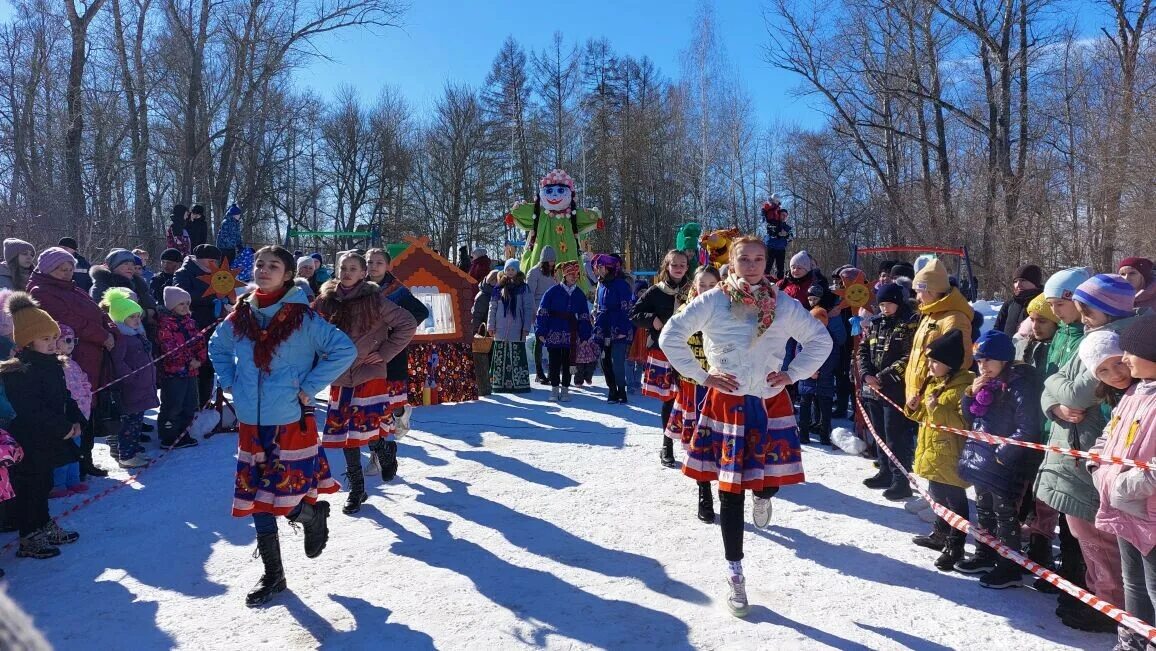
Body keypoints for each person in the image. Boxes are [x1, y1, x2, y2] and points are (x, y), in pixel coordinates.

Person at [660, 236, 831, 617]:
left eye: (758, 259)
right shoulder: (714, 300)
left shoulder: (783, 303)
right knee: (730, 491)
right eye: (744, 259)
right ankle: (734, 572)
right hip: (728, 401)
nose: (752, 265)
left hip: (770, 400)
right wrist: (702, 376)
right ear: (732, 262)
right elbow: (670, 335)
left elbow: (819, 340)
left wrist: (792, 374)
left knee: (770, 481)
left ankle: (765, 495)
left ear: (767, 262)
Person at [208, 245, 356, 607]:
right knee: (257, 499)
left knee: (283, 497)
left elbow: (344, 350)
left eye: (273, 266)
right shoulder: (240, 315)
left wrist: (308, 388)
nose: (263, 270)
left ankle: (311, 514)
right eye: (259, 264)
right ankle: (274, 574)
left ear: (288, 275)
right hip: (250, 422)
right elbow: (217, 346)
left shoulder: (303, 319)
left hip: (289, 420)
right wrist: (230, 379)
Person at [1034, 267, 1122, 631]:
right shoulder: (1092, 333)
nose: (1081, 317)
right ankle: (1095, 597)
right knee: (1084, 534)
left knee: (1097, 537)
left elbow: (1075, 392)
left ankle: (1109, 607)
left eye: (1088, 311)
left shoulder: (1111, 340)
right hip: (1073, 446)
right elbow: (1057, 396)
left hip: (1091, 451)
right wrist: (1053, 404)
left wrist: (1053, 380)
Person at [314, 252, 417, 515]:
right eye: (343, 268)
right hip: (338, 375)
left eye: (353, 269)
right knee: (346, 435)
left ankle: (384, 449)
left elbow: (407, 323)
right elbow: (308, 329)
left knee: (367, 429)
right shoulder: (326, 301)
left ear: (363, 274)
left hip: (369, 373)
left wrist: (383, 353)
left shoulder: (375, 300)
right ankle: (358, 489)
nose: (347, 272)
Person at [1087, 315, 1156, 651]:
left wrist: (1125, 486)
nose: (1124, 360)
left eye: (1130, 352)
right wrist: (1096, 465)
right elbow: (1109, 435)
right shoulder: (1135, 393)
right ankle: (1133, 639)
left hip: (1150, 514)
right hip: (1125, 508)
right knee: (1134, 583)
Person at [954, 329, 1041, 588]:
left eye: (989, 360)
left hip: (1002, 464)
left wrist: (1003, 455)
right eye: (979, 361)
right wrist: (969, 394)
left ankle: (1009, 564)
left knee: (1005, 514)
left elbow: (1027, 427)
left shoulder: (1017, 384)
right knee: (983, 509)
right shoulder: (984, 384)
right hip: (980, 460)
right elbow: (971, 418)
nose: (983, 366)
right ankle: (985, 553)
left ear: (1004, 360)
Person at [0, 292, 82, 559]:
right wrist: (61, 427)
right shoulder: (19, 372)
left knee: (44, 482)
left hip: (49, 438)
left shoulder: (52, 364)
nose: (52, 343)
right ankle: (29, 535)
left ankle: (43, 522)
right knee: (30, 486)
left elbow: (64, 397)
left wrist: (75, 419)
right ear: (27, 340)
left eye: (53, 338)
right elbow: (32, 410)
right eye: (45, 339)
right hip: (29, 440)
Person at [25, 247, 115, 479]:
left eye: (69, 269)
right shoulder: (41, 291)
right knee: (76, 407)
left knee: (89, 405)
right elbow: (68, 319)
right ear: (47, 269)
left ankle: (86, 458)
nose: (66, 273)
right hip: (72, 355)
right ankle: (74, 463)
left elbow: (95, 312)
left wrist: (109, 326)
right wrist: (102, 335)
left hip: (91, 355)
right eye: (61, 269)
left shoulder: (73, 288)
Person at [907, 329, 974, 571]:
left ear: (950, 364)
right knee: (937, 495)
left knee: (955, 500)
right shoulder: (935, 384)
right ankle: (940, 533)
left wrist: (936, 408)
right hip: (932, 451)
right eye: (930, 361)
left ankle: (956, 545)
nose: (930, 366)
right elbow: (924, 417)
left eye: (935, 362)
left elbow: (964, 424)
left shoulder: (963, 389)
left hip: (951, 454)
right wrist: (914, 407)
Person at [664, 265, 722, 523]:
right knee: (701, 440)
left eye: (712, 285)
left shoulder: (728, 310)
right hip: (695, 385)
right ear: (694, 286)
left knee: (722, 441)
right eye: (702, 285)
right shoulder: (684, 312)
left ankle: (727, 489)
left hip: (723, 385)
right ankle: (704, 493)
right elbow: (672, 344)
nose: (706, 290)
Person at [365, 247, 429, 461]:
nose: (373, 267)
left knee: (391, 400)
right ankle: (376, 455)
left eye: (378, 263)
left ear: (388, 266)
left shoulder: (397, 290)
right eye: (369, 262)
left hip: (391, 353)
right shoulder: (359, 287)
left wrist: (394, 331)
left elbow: (421, 312)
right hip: (366, 353)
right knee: (371, 405)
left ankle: (401, 413)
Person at [632, 250, 692, 467]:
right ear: (666, 266)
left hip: (688, 351)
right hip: (663, 351)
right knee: (669, 400)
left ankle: (694, 445)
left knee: (689, 399)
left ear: (687, 266)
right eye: (674, 264)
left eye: (682, 264)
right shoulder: (656, 291)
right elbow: (634, 313)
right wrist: (652, 320)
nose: (678, 268)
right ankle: (667, 444)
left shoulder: (694, 289)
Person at [859, 282, 919, 497]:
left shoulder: (909, 323)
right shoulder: (875, 323)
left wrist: (883, 377)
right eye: (881, 304)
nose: (884, 308)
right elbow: (863, 349)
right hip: (872, 388)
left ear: (898, 302)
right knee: (879, 434)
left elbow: (909, 356)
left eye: (888, 304)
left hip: (895, 388)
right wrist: (866, 374)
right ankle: (884, 471)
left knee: (895, 436)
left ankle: (900, 480)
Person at [904, 258, 975, 409]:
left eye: (919, 292)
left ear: (932, 290)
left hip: (935, 399)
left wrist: (935, 393)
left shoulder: (954, 318)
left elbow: (961, 362)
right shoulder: (929, 313)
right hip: (918, 395)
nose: (917, 297)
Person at [101, 288, 158, 468]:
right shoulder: (122, 338)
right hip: (131, 388)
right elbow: (118, 362)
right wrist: (131, 377)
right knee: (128, 425)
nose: (136, 320)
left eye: (137, 316)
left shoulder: (136, 334)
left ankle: (131, 451)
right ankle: (126, 455)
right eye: (131, 317)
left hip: (141, 387)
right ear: (120, 318)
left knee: (136, 423)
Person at [174, 244, 229, 407]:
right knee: (194, 365)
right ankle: (192, 404)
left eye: (215, 261)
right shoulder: (184, 273)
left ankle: (204, 402)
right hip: (193, 326)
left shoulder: (217, 274)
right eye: (210, 260)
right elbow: (181, 295)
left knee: (208, 366)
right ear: (199, 259)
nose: (213, 263)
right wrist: (211, 296)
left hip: (213, 325)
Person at [155, 287, 205, 449]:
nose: (185, 307)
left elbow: (200, 343)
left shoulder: (190, 322)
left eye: (186, 303)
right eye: (180, 304)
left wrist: (199, 359)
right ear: (171, 306)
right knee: (173, 405)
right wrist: (187, 360)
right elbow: (169, 349)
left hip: (191, 371)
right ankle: (168, 435)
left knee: (189, 403)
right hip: (174, 373)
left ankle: (183, 433)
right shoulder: (165, 325)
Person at [535, 260, 592, 402]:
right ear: (564, 275)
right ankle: (554, 388)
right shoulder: (552, 292)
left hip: (570, 333)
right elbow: (542, 312)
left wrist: (584, 335)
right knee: (554, 361)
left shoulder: (579, 294)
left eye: (575, 274)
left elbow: (584, 316)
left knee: (568, 362)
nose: (573, 277)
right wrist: (541, 331)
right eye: (570, 274)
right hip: (554, 330)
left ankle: (565, 388)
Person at [797, 288, 847, 450]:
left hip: (824, 380)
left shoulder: (830, 338)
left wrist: (822, 372)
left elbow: (833, 357)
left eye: (820, 321)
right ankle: (803, 434)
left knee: (825, 409)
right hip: (807, 379)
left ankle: (824, 435)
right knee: (805, 407)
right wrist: (808, 370)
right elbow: (799, 353)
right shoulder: (803, 336)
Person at [50, 326, 88, 497]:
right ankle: (58, 484)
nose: (71, 344)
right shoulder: (53, 365)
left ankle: (74, 480)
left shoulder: (73, 363)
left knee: (75, 448)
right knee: (62, 451)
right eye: (67, 340)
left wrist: (87, 394)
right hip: (63, 417)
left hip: (78, 414)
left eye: (73, 340)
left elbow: (84, 380)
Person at [591, 254, 634, 404]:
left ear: (609, 268)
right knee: (604, 359)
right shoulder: (601, 284)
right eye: (597, 267)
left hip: (618, 326)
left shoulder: (621, 285)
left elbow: (627, 309)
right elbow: (598, 304)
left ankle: (621, 390)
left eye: (600, 267)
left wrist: (623, 329)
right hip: (603, 326)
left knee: (617, 360)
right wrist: (595, 316)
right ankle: (612, 389)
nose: (598, 270)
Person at [488, 260, 534, 394]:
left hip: (517, 327)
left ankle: (519, 384)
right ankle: (499, 384)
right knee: (500, 356)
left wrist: (526, 327)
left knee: (516, 355)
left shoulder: (524, 288)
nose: (510, 272)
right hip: (500, 327)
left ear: (517, 271)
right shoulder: (498, 288)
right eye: (508, 269)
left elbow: (527, 308)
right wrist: (491, 325)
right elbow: (493, 307)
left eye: (512, 270)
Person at [526, 246, 559, 384]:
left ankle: (552, 372)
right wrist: (534, 313)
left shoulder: (553, 273)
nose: (552, 263)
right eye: (549, 261)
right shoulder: (534, 273)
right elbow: (530, 295)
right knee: (539, 342)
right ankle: (539, 373)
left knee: (552, 342)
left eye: (553, 261)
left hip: (553, 312)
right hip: (540, 311)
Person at [993, 264, 1045, 336]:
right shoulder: (1009, 304)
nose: (1018, 284)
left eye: (1023, 280)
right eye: (1015, 281)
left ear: (1035, 283)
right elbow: (997, 330)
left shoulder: (1044, 304)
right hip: (1007, 346)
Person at [626, 279, 650, 395]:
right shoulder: (631, 303)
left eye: (646, 291)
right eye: (641, 291)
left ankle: (637, 382)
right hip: (632, 336)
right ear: (636, 292)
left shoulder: (648, 304)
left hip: (643, 337)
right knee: (630, 361)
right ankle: (629, 383)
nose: (643, 294)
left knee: (640, 362)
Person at [761, 195, 792, 278]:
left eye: (786, 216)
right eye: (783, 215)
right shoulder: (772, 223)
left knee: (780, 267)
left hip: (781, 249)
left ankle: (780, 283)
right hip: (770, 247)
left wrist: (786, 235)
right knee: (767, 266)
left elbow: (791, 237)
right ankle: (763, 280)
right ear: (779, 214)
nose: (784, 217)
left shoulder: (787, 227)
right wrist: (777, 233)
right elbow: (770, 231)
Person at [472, 270, 500, 335]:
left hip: (489, 330)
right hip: (484, 332)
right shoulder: (484, 296)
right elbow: (476, 315)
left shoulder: (492, 293)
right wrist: (475, 331)